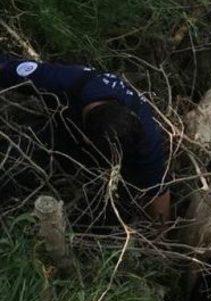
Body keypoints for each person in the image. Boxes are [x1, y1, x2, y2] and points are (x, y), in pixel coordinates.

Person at [0, 57, 170, 222]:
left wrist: (161, 237)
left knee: (115, 209)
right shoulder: (67, 81)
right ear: (86, 139)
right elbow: (10, 69)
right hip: (62, 127)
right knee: (16, 157)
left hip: (117, 161)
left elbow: (158, 191)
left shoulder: (146, 136)